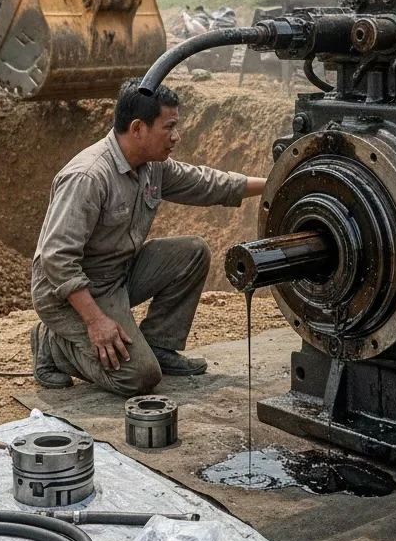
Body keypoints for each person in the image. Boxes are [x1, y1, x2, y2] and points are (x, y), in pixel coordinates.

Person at [30, 79, 268, 397]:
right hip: (69, 294)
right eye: (168, 127)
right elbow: (56, 259)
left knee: (192, 252)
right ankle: (53, 346)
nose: (176, 136)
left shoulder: (151, 166)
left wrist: (276, 180)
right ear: (139, 128)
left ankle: (160, 344)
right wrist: (96, 321)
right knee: (139, 378)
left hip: (116, 275)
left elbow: (209, 184)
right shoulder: (88, 177)